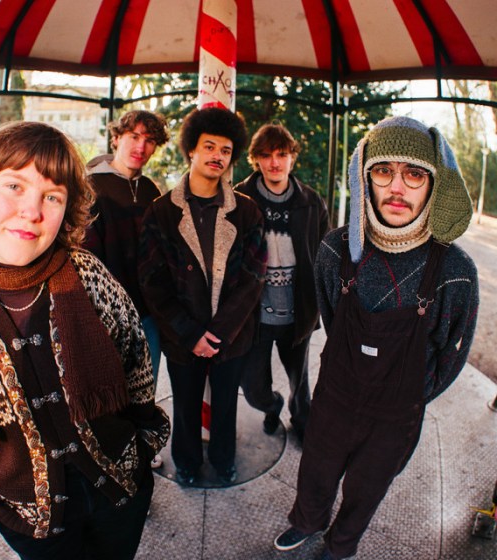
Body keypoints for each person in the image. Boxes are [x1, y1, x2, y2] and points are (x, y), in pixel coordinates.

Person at [0, 121, 170, 560]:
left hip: (120, 491)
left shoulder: (88, 273)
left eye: (53, 196)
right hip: (30, 520)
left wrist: (144, 446)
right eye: (15, 185)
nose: (32, 211)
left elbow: (135, 362)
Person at [274, 116, 479, 560]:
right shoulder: (335, 249)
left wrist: (414, 395)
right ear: (364, 178)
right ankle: (307, 522)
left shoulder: (455, 270)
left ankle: (341, 545)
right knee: (316, 471)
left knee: (367, 488)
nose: (397, 188)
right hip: (335, 395)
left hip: (396, 415)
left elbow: (453, 352)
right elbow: (333, 318)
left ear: (433, 183)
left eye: (414, 173)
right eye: (383, 171)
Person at [138, 107, 267, 486]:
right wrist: (191, 333)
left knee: (225, 405)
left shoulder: (246, 212)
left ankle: (225, 462)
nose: (217, 156)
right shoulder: (162, 212)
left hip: (232, 336)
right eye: (209, 146)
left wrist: (220, 333)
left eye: (225, 150)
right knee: (186, 404)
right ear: (191, 150)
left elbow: (253, 277)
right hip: (183, 338)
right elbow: (152, 280)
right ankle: (187, 464)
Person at [83, 110, 169, 470]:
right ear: (116, 137)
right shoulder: (91, 186)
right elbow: (85, 256)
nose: (141, 146)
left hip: (148, 312)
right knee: (110, 389)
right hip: (106, 313)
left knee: (145, 384)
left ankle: (143, 448)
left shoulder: (150, 190)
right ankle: (116, 456)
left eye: (149, 140)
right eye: (134, 136)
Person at [235, 123, 329, 443]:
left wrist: (322, 305)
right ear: (256, 160)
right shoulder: (239, 199)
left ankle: (303, 423)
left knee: (300, 384)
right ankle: (271, 406)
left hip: (297, 313)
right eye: (266, 155)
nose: (274, 162)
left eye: (281, 154)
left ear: (292, 158)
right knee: (252, 387)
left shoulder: (312, 202)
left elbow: (325, 256)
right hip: (254, 316)